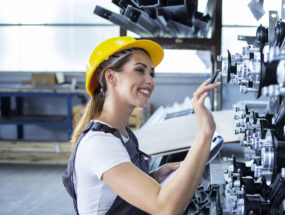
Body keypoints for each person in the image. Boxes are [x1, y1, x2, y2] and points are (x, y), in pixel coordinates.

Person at [62, 36, 221, 215]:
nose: (150, 81)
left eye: (151, 74)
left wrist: (153, 177)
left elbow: (114, 191)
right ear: (111, 77)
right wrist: (206, 131)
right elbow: (165, 208)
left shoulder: (122, 134)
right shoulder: (100, 143)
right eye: (140, 70)